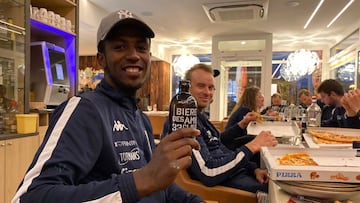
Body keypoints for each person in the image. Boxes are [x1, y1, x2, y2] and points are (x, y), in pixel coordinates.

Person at [12, 10, 204, 203]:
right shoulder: (84, 110)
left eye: (141, 48)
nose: (133, 55)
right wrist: (142, 180)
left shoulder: (140, 118)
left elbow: (159, 186)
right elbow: (30, 197)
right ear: (101, 59)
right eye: (120, 47)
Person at [162, 64, 278, 193]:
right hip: (219, 189)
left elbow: (221, 147)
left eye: (211, 88)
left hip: (234, 175)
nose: (207, 92)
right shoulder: (184, 119)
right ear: (186, 89)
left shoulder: (201, 117)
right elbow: (208, 172)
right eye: (201, 86)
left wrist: (253, 169)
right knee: (277, 190)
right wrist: (252, 147)